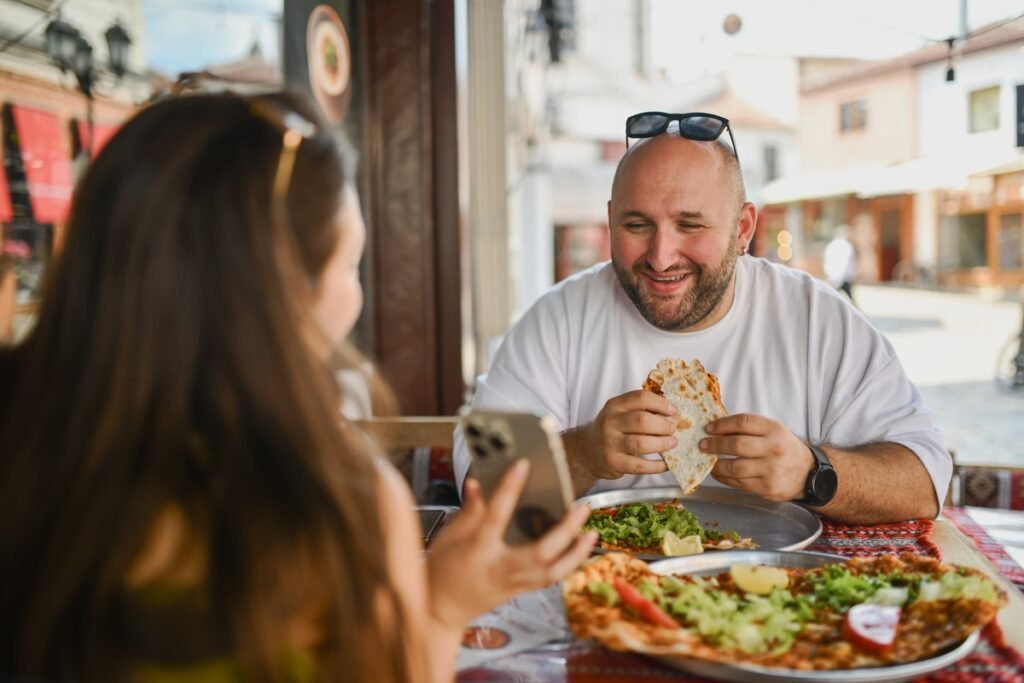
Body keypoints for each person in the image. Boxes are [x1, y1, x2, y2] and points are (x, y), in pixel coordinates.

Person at [0, 91, 596, 683]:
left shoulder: (27, 450)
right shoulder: (333, 505)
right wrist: (440, 608)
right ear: (285, 294)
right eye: (351, 267)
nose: (355, 296)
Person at [454, 112, 950, 526]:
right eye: (636, 225)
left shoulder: (818, 320)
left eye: (690, 225)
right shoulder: (558, 319)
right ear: (610, 221)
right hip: (602, 592)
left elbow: (925, 480)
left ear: (743, 228)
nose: (661, 255)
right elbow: (477, 480)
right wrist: (581, 454)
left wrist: (812, 473)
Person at [823, 224, 858, 303]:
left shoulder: (831, 246)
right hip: (844, 277)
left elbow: (827, 262)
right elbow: (844, 264)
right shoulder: (846, 246)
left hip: (834, 277)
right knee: (847, 299)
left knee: (834, 297)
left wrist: (830, 275)